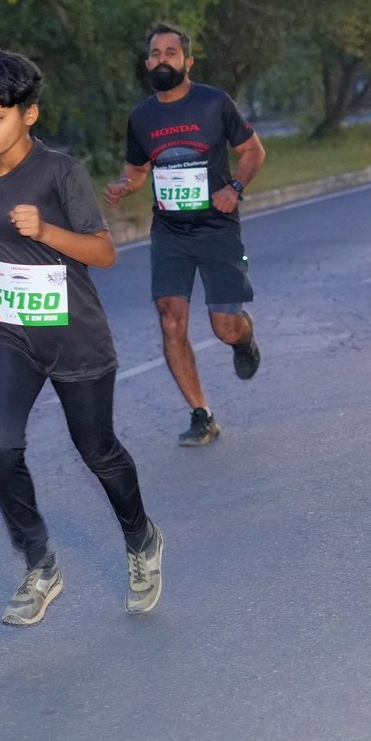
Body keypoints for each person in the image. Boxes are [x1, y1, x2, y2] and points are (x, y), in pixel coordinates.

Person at [0, 49, 162, 627]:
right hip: (9, 328)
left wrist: (45, 229)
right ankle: (39, 565)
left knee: (97, 450)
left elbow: (104, 253)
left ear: (29, 115)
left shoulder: (60, 173)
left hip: (74, 334)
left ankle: (141, 538)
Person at [104, 24, 266, 448]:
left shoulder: (214, 102)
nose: (162, 59)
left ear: (188, 61)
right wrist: (124, 185)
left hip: (217, 226)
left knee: (224, 327)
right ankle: (202, 414)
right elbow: (138, 169)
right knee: (171, 320)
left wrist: (235, 189)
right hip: (170, 231)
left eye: (171, 52)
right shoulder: (142, 116)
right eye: (155, 53)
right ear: (147, 63)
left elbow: (253, 151)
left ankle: (244, 338)